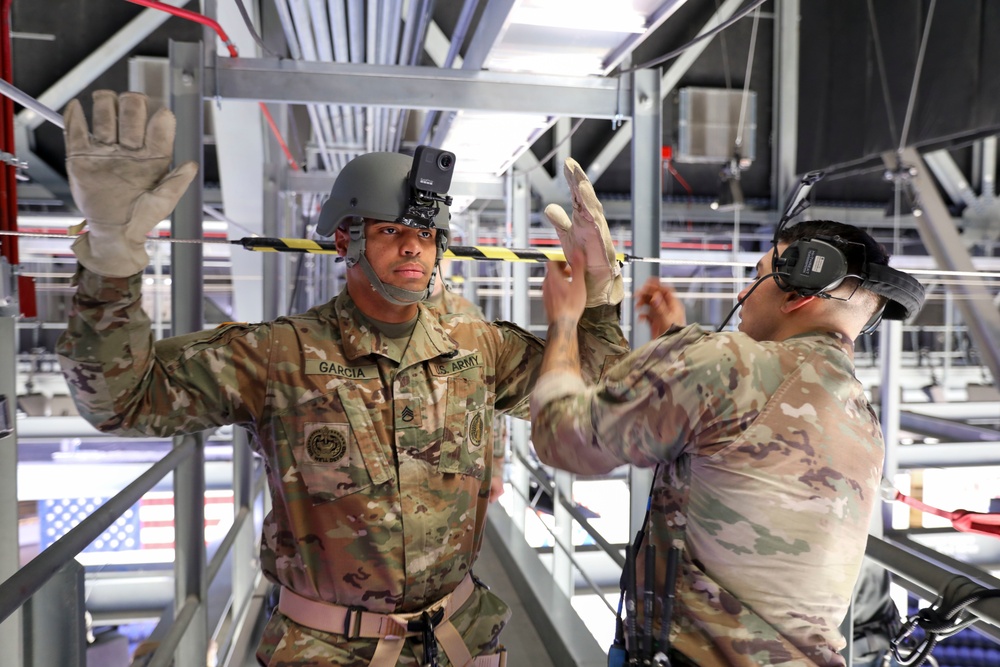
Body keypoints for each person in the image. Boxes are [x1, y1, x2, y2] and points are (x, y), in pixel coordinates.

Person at [56, 91, 628, 666]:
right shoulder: (280, 355)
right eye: (387, 231)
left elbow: (603, 402)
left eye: (425, 235)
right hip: (326, 650)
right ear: (343, 240)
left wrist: (600, 296)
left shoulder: (475, 347)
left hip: (459, 636)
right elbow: (121, 399)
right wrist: (111, 260)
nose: (412, 246)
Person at [531, 167, 924, 666]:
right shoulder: (862, 420)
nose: (741, 294)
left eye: (757, 275)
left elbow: (560, 435)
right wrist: (674, 342)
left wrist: (567, 318)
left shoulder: (727, 366)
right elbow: (732, 442)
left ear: (798, 287)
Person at [424, 260, 506, 505]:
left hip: (451, 469)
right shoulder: (374, 307)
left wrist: (496, 466)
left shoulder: (467, 317)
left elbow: (490, 396)